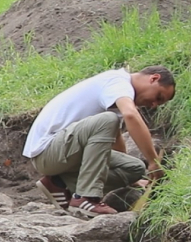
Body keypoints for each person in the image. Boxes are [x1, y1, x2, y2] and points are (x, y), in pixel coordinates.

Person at [23, 66, 176, 217]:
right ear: (153, 78)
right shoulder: (118, 82)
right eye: (158, 97)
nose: (154, 105)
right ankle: (86, 197)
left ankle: (59, 183)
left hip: (65, 153)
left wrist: (131, 181)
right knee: (108, 120)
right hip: (47, 151)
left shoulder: (116, 98)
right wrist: (153, 161)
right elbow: (131, 115)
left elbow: (115, 140)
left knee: (134, 168)